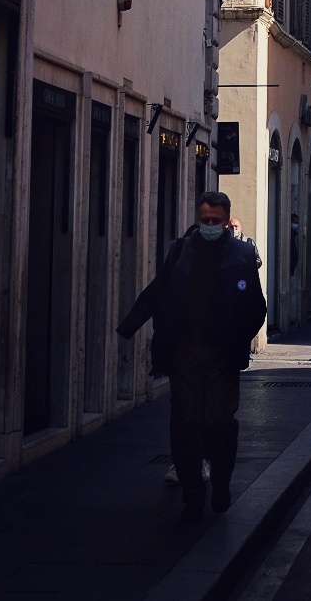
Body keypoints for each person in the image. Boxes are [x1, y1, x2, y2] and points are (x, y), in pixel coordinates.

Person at [117, 191, 266, 521]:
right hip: (184, 350)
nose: (210, 225)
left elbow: (257, 306)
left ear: (227, 221)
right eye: (205, 219)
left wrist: (239, 337)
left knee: (220, 423)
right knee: (184, 424)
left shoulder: (241, 254)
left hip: (222, 354)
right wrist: (130, 324)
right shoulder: (181, 251)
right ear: (198, 219)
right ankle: (192, 496)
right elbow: (160, 290)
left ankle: (222, 482)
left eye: (216, 220)